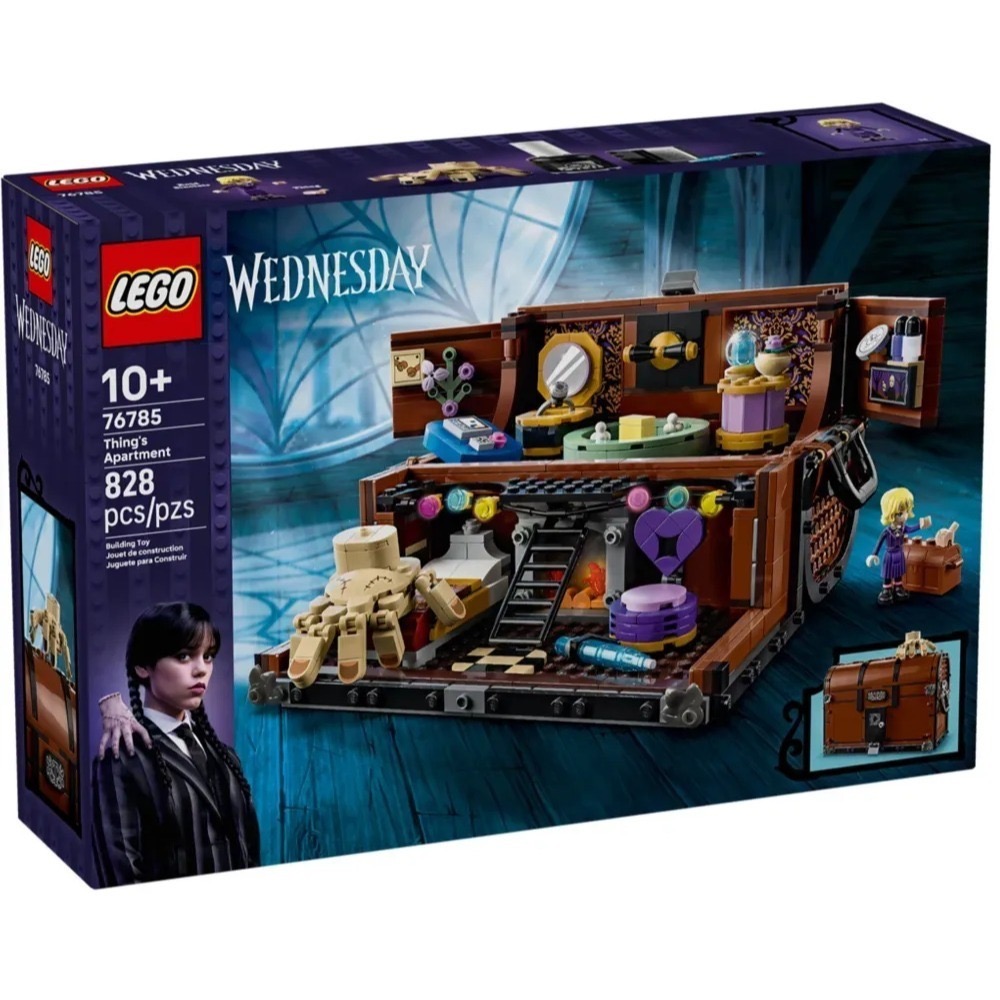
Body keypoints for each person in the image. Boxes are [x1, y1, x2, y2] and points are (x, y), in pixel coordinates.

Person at [92, 602, 260, 885]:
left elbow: (251, 854)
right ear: (143, 667)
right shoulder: (122, 759)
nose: (201, 669)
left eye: (208, 656)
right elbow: (122, 874)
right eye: (183, 656)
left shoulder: (227, 757)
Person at [866, 487, 931, 606]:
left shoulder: (903, 528)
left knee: (898, 572)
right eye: (900, 513)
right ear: (890, 514)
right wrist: (874, 554)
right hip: (890, 555)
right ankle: (886, 590)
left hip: (899, 554)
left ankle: (898, 588)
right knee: (888, 573)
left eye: (906, 511)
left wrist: (920, 525)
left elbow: (911, 529)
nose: (905, 516)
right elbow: (879, 542)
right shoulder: (887, 531)